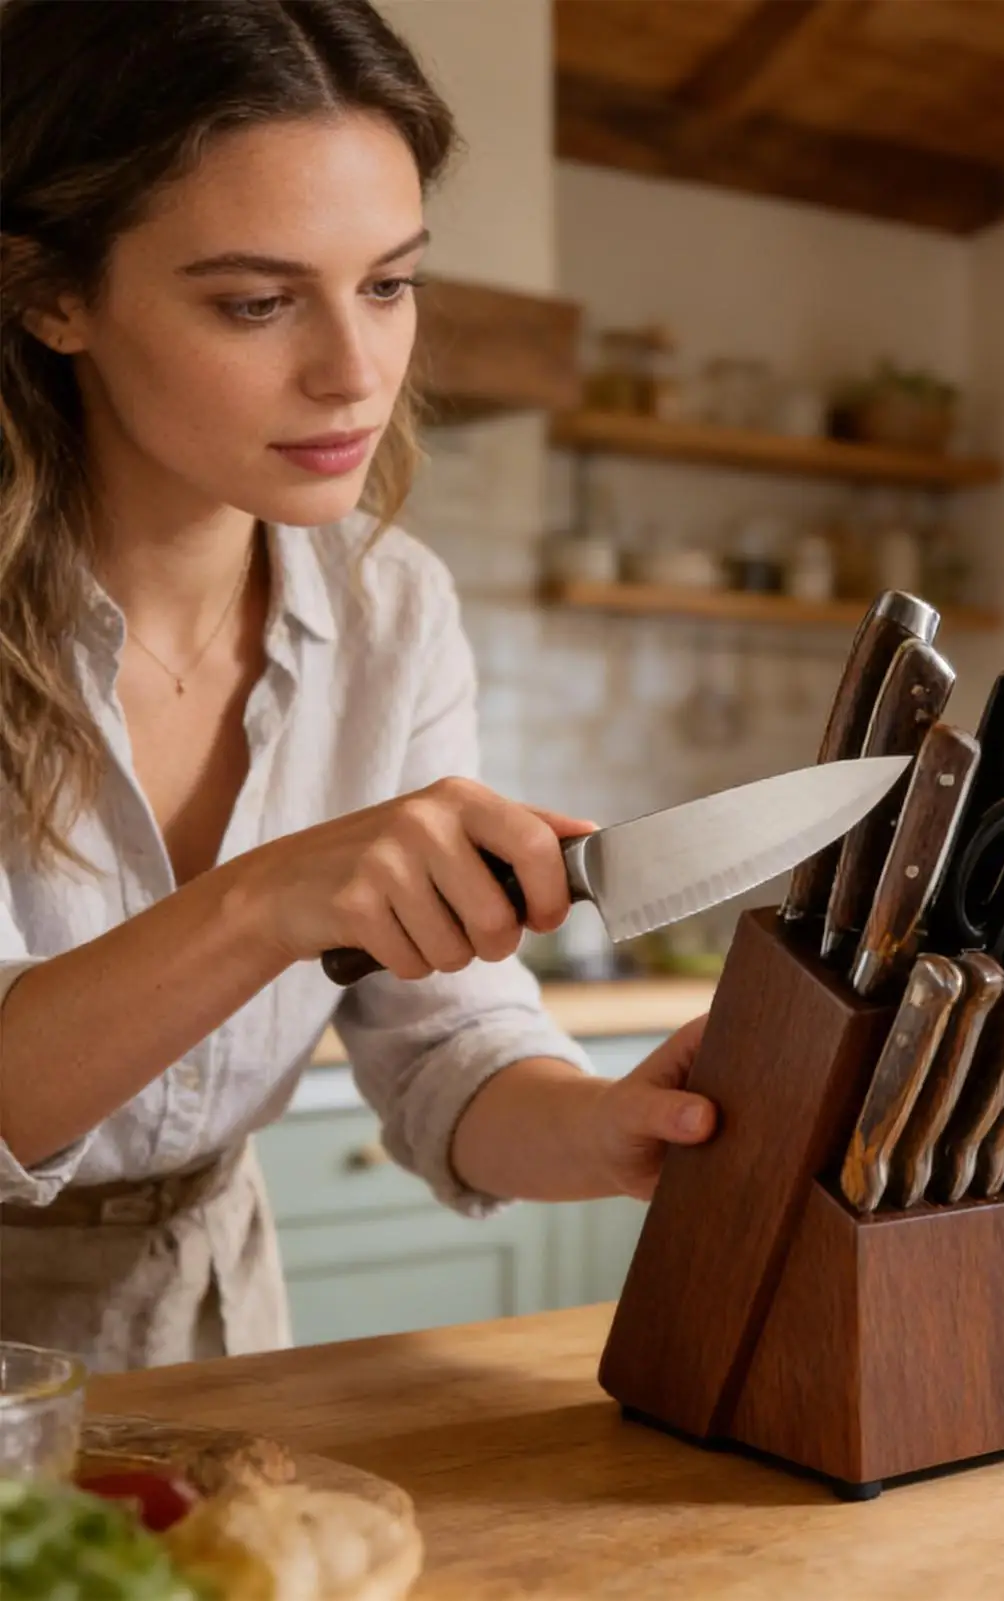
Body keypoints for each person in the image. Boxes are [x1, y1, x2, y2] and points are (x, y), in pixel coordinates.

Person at [0, 0, 716, 1373]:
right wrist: (268, 901)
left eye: (388, 285)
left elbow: (442, 1041)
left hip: (209, 1323)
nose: (355, 372)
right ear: (52, 295)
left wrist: (609, 1127)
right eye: (256, 303)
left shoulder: (394, 613)